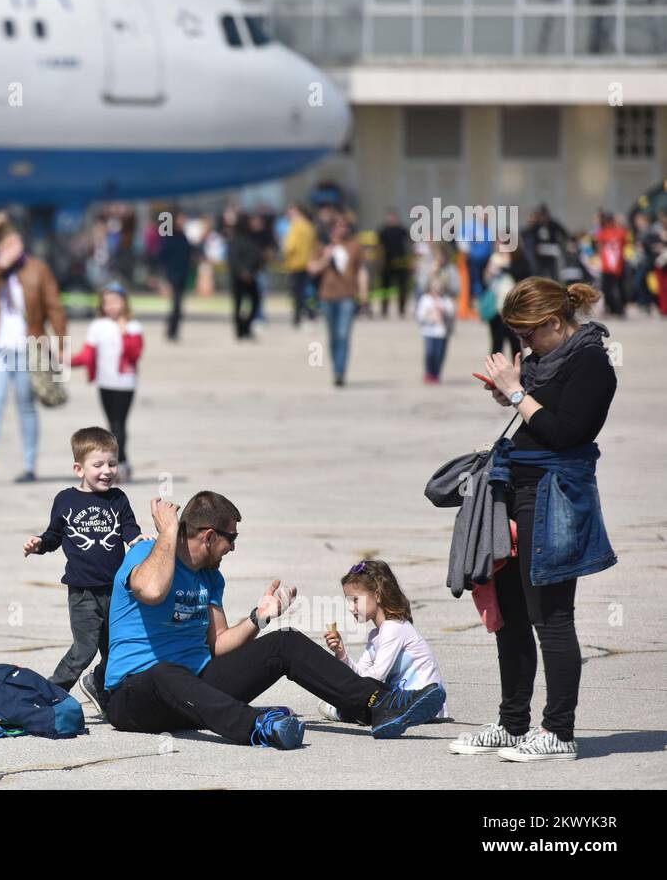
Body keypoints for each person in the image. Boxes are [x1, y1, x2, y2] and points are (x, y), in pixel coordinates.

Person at [103, 492, 447, 749]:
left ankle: (377, 704)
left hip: (196, 690)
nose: (233, 548)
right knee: (167, 672)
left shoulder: (210, 579)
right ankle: (257, 726)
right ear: (208, 536)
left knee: (284, 642)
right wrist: (167, 533)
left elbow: (219, 644)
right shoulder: (145, 555)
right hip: (135, 697)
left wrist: (259, 618)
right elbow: (151, 591)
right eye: (231, 538)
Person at [459, 279, 617, 761]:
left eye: (528, 334)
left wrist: (515, 393)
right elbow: (535, 415)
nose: (522, 344)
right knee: (508, 614)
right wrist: (511, 390)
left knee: (550, 615)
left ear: (554, 322)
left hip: (555, 499)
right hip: (516, 493)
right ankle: (513, 724)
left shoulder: (592, 363)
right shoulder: (543, 361)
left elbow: (564, 431)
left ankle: (559, 732)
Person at [23, 427, 144, 715]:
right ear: (79, 468)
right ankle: (50, 694)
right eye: (98, 465)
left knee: (116, 649)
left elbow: (130, 528)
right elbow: (53, 536)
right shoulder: (66, 500)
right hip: (82, 592)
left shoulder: (118, 499)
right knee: (85, 648)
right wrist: (39, 543)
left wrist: (137, 540)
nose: (107, 471)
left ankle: (98, 685)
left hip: (116, 590)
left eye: (112, 464)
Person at [0, 211, 66, 485]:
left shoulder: (37, 269)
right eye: (7, 245)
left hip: (27, 348)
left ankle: (30, 466)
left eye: (16, 243)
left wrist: (59, 342)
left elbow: (55, 306)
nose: (13, 249)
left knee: (26, 406)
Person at [320, 559, 448, 721]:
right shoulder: (377, 634)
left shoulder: (394, 628)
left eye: (355, 600)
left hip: (421, 703)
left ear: (377, 595)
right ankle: (344, 711)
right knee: (351, 702)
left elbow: (376, 676)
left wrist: (347, 697)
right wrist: (341, 653)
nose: (351, 608)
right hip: (402, 703)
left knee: (345, 705)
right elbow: (362, 675)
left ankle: (341, 712)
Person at [68, 283, 144, 483]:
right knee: (112, 425)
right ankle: (121, 462)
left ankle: (120, 464)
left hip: (125, 383)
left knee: (119, 425)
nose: (111, 306)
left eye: (115, 302)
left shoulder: (133, 326)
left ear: (124, 303)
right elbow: (87, 355)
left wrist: (124, 331)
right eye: (106, 302)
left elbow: (134, 354)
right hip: (105, 382)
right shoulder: (97, 326)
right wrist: (65, 359)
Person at [307, 219, 368, 387]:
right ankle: (335, 368)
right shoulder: (322, 246)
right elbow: (311, 268)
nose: (341, 229)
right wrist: (325, 258)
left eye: (345, 226)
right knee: (333, 337)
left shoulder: (355, 245)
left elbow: (362, 271)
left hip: (347, 296)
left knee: (343, 335)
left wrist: (364, 296)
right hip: (327, 297)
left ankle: (340, 372)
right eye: (337, 226)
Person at [281, 202, 318, 327]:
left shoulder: (296, 226)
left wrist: (284, 247)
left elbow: (290, 246)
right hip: (307, 262)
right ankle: (307, 314)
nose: (289, 214)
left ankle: (301, 317)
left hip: (296, 263)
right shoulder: (309, 226)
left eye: (291, 211)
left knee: (297, 293)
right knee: (303, 291)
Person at [160, 215, 195, 341]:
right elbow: (163, 255)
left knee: (178, 304)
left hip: (183, 273)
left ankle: (172, 329)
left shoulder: (184, 236)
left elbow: (190, 252)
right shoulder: (169, 236)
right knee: (177, 304)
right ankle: (172, 330)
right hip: (172, 274)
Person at [227, 212, 262, 340]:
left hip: (251, 276)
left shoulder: (253, 238)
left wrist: (253, 271)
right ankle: (240, 330)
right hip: (238, 278)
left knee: (255, 301)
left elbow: (256, 256)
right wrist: (243, 272)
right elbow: (234, 258)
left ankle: (246, 327)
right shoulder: (235, 239)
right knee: (238, 304)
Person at [415, 277, 455, 384]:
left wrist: (444, 312)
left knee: (439, 355)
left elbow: (451, 314)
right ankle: (428, 373)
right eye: (435, 287)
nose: (437, 289)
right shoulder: (425, 299)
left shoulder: (446, 300)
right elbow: (420, 316)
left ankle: (436, 374)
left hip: (442, 333)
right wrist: (430, 315)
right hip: (429, 332)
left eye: (439, 287)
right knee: (429, 353)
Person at [377, 209, 413, 318]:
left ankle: (401, 310)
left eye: (393, 217)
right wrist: (379, 262)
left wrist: (410, 261)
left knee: (402, 288)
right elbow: (378, 247)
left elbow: (410, 245)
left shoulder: (402, 230)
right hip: (386, 264)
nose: (391, 219)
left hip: (401, 264)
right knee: (385, 288)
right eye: (389, 217)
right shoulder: (382, 231)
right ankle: (384, 310)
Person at [593, 212, 627, 318]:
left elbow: (597, 241)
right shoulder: (620, 232)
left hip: (610, 266)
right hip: (616, 266)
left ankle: (615, 309)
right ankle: (616, 310)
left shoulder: (604, 233)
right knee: (616, 289)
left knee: (610, 289)